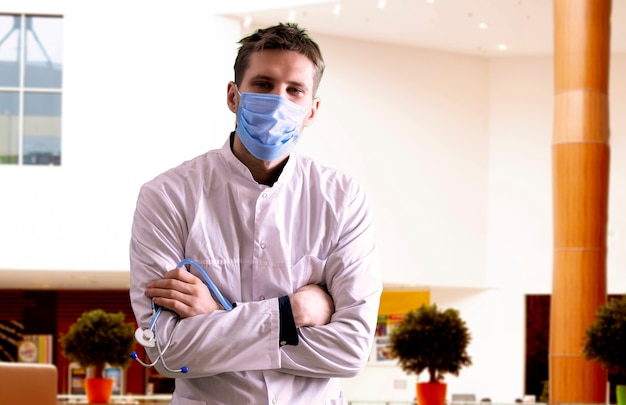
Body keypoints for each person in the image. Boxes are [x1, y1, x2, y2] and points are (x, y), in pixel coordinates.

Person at [129, 22, 382, 404]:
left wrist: (219, 315)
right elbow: (168, 352)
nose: (279, 100)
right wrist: (290, 312)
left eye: (294, 90)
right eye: (263, 85)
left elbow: (350, 350)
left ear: (311, 111)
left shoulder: (343, 199)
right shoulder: (167, 196)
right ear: (234, 96)